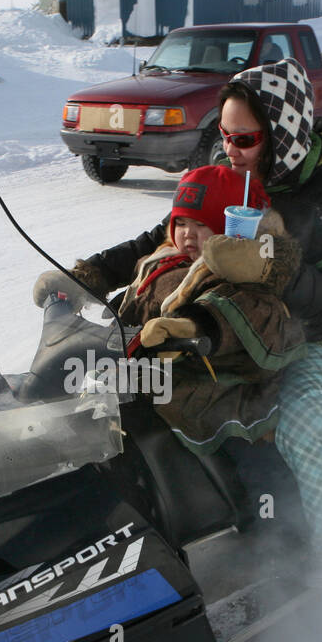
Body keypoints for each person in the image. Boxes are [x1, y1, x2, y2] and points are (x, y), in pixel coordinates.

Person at [36, 58, 322, 570]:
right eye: (225, 136)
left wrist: (271, 268)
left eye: (245, 140)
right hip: (216, 332)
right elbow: (161, 238)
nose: (230, 151)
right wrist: (87, 277)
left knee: (303, 423)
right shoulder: (226, 178)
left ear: (285, 135)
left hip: (312, 340)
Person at [100, 164, 306, 455]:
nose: (187, 235)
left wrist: (193, 325)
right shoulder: (165, 259)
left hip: (210, 390)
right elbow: (141, 298)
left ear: (226, 232)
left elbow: (240, 310)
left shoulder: (231, 275)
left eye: (201, 226)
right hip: (146, 375)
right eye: (181, 223)